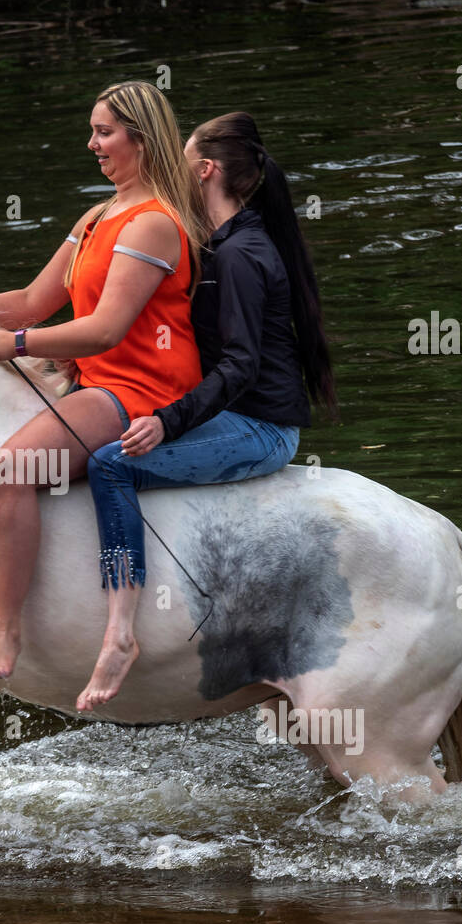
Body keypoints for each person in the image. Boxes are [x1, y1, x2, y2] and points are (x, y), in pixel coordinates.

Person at [75, 111, 339, 713]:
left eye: (181, 158)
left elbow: (242, 367)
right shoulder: (217, 244)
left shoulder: (243, 253)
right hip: (232, 414)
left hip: (260, 429)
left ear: (204, 170)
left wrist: (167, 420)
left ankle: (120, 632)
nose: (168, 169)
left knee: (111, 465)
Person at [0, 80, 210, 681]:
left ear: (142, 139)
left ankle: (5, 630)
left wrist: (14, 347)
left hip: (141, 391)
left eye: (104, 132)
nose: (92, 144)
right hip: (97, 383)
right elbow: (28, 301)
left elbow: (102, 331)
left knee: (10, 468)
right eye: (94, 131)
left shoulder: (153, 224)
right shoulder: (98, 215)